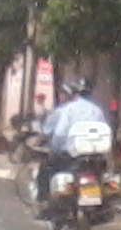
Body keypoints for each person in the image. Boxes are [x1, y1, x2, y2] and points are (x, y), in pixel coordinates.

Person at [34, 78, 110, 206]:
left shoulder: (68, 110)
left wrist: (54, 149)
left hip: (71, 157)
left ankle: (45, 201)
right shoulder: (97, 110)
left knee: (46, 169)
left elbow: (60, 133)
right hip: (95, 157)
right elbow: (105, 131)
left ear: (75, 95)